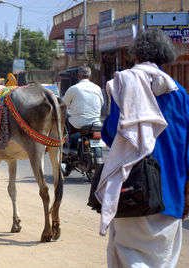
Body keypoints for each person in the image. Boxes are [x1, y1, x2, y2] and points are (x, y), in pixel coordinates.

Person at [97, 28, 189, 267]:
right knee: (163, 260)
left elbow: (110, 134)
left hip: (131, 190)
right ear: (165, 57)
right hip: (170, 193)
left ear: (136, 54)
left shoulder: (123, 85)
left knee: (128, 254)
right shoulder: (180, 95)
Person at [62, 66, 104, 134]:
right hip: (95, 123)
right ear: (90, 76)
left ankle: (66, 144)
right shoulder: (97, 88)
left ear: (78, 76)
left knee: (64, 129)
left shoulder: (74, 88)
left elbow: (63, 105)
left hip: (77, 123)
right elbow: (101, 103)